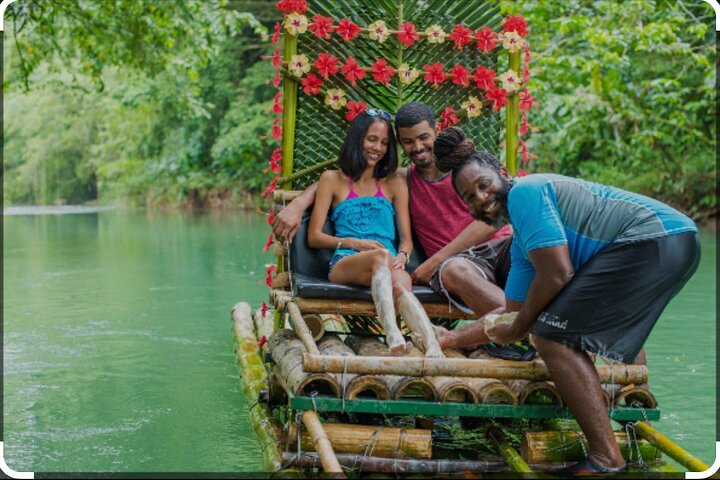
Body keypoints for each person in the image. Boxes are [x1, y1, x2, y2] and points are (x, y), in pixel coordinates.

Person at [432, 126, 700, 474]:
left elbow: (558, 275)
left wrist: (520, 328)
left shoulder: (527, 192)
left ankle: (606, 458)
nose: (480, 198)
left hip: (656, 240)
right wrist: (454, 338)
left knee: (548, 336)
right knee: (552, 330)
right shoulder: (523, 244)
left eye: (483, 185)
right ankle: (627, 432)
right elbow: (508, 312)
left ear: (503, 173)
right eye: (469, 197)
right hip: (674, 243)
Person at [272, 102, 512, 323]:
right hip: (460, 266)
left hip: (500, 247)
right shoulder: (401, 179)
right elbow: (348, 178)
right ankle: (517, 328)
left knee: (533, 251)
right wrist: (299, 202)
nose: (417, 147)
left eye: (424, 137)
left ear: (436, 131)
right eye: (408, 142)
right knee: (455, 271)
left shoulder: (465, 170)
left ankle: (524, 330)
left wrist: (432, 261)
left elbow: (496, 217)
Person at [307, 108, 443, 357]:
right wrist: (356, 243)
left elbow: (405, 241)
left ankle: (434, 348)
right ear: (357, 138)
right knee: (380, 256)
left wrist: (403, 256)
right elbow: (314, 237)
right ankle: (393, 335)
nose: (377, 148)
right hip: (347, 262)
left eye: (384, 143)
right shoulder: (332, 179)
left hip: (388, 263)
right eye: (371, 139)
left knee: (402, 285)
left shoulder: (394, 184)